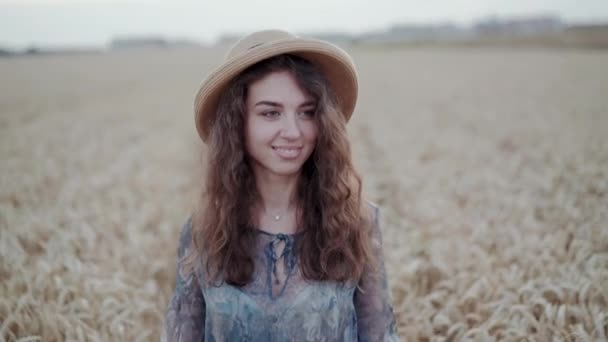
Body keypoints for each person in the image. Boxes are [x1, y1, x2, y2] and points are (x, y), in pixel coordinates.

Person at [163, 29, 399, 341]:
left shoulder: (357, 224)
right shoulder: (202, 232)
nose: (293, 131)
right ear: (238, 122)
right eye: (271, 113)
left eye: (307, 113)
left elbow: (380, 336)